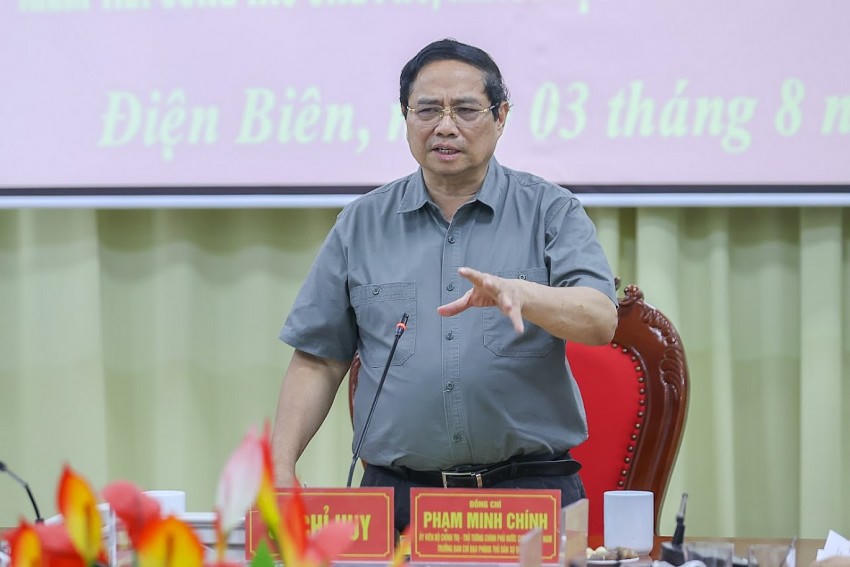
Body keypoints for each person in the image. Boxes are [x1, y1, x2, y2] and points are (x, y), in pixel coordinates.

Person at [272, 38, 618, 531]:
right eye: (428, 110)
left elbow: (600, 320)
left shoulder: (550, 211)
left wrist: (524, 294)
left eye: (466, 110)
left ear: (501, 117)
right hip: (397, 499)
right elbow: (318, 358)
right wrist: (281, 467)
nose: (446, 126)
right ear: (406, 117)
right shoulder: (361, 224)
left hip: (526, 497)